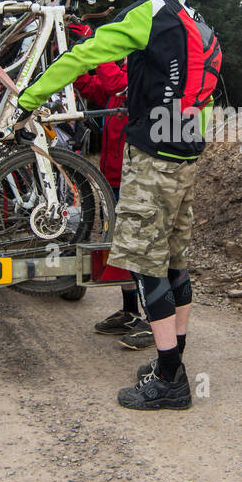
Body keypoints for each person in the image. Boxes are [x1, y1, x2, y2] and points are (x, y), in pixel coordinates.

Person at [17, 0, 214, 410]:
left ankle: (171, 381)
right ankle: (173, 363)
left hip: (153, 156)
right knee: (173, 263)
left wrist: (29, 96)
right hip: (186, 150)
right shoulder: (191, 12)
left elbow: (85, 55)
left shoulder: (148, 12)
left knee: (147, 271)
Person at [72, 51, 152, 348]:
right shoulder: (117, 87)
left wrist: (96, 49)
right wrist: (74, 55)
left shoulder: (137, 83)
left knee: (138, 251)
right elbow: (89, 85)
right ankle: (131, 311)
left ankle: (153, 320)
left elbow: (115, 81)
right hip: (112, 181)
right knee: (121, 250)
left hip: (136, 181)